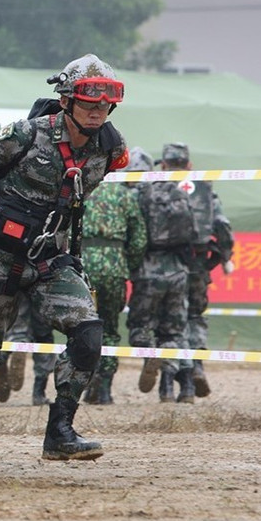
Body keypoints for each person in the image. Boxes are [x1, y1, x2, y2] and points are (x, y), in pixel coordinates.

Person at [0, 54, 129, 473]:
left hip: (50, 260)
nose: (97, 111)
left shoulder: (110, 150)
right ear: (66, 101)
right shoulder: (24, 134)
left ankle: (59, 433)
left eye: (104, 104)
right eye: (88, 102)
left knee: (89, 334)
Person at [159, 142, 234, 399]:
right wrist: (226, 256)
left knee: (170, 322)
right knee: (195, 316)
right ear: (189, 165)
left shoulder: (158, 187)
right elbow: (222, 226)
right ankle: (195, 373)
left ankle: (168, 383)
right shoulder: (205, 190)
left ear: (164, 165)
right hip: (199, 262)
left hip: (167, 264)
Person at [126, 145, 199, 402]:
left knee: (140, 327)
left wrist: (132, 266)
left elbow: (134, 235)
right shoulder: (179, 193)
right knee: (173, 332)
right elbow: (195, 232)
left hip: (148, 268)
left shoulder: (139, 195)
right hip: (178, 270)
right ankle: (171, 389)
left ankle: (150, 355)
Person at [80, 148, 147, 405]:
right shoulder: (124, 194)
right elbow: (139, 238)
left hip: (83, 263)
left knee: (82, 328)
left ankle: (83, 383)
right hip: (114, 265)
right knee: (109, 328)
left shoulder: (81, 188)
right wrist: (127, 264)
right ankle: (105, 388)